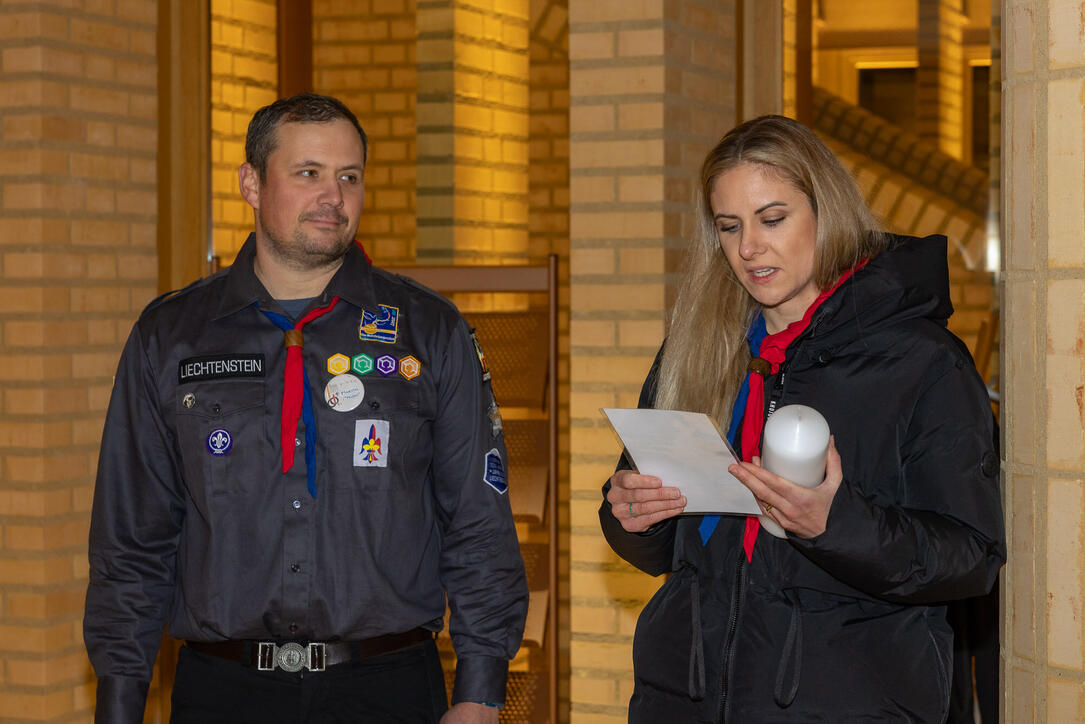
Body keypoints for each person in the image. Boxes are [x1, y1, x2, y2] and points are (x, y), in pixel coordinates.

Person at [84, 93, 528, 723]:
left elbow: (479, 526)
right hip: (223, 693)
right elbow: (132, 539)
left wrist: (481, 693)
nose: (333, 197)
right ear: (251, 184)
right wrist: (120, 701)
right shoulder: (172, 336)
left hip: (389, 690)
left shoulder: (429, 331)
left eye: (349, 177)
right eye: (309, 173)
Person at [599, 115, 1005, 722]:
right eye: (729, 226)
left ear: (826, 212)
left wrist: (836, 525)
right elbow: (661, 550)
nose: (748, 248)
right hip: (682, 699)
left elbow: (971, 557)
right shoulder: (697, 347)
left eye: (772, 219)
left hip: (845, 704)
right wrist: (631, 518)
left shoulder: (922, 362)